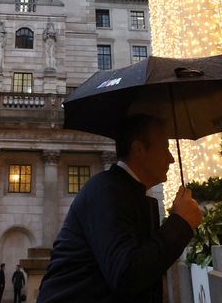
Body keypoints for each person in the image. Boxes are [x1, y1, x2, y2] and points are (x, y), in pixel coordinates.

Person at [36, 114, 202, 303]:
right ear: (139, 149)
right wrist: (180, 223)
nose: (171, 158)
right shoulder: (107, 190)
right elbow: (126, 274)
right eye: (164, 148)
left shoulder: (128, 192)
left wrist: (177, 220)